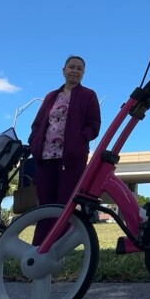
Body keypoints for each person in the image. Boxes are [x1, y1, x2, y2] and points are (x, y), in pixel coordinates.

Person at [28, 55, 102, 245]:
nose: (75, 71)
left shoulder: (88, 95)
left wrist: (79, 141)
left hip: (71, 159)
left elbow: (94, 125)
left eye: (79, 69)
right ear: (64, 70)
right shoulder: (51, 96)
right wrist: (34, 142)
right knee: (45, 204)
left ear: (83, 73)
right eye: (71, 67)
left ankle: (58, 247)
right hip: (45, 157)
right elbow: (37, 124)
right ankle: (38, 247)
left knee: (64, 204)